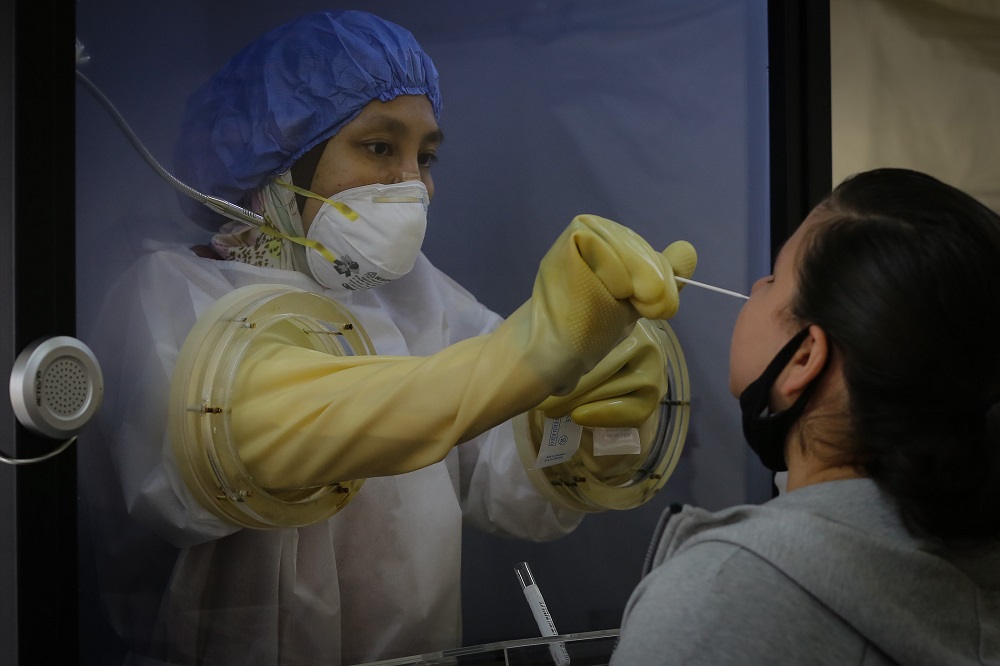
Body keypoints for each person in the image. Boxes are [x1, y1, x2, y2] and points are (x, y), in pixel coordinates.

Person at [78, 9, 697, 666]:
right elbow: (233, 443)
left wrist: (578, 416)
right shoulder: (169, 294)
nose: (415, 186)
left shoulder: (414, 296)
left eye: (425, 157)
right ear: (278, 157)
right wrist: (526, 357)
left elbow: (506, 478)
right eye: (380, 147)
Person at [609, 168, 1000, 665]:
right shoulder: (973, 577)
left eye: (773, 277)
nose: (754, 285)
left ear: (804, 357)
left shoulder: (725, 598)